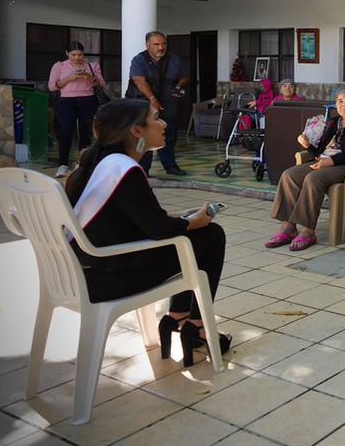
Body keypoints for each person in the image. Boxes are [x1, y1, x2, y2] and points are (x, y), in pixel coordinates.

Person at [65, 99, 229, 367]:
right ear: (137, 131)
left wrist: (179, 220)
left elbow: (134, 219)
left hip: (87, 271)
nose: (164, 124)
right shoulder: (125, 170)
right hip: (107, 278)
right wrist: (192, 223)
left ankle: (177, 317)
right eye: (156, 118)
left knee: (195, 235)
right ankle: (196, 326)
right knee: (210, 235)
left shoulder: (105, 162)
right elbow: (159, 229)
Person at [266, 89, 345, 251]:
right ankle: (288, 226)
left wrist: (330, 161)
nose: (344, 104)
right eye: (340, 101)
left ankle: (308, 230)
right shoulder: (333, 122)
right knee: (289, 175)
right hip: (324, 162)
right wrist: (308, 145)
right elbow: (319, 151)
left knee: (313, 178)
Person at [126, 31, 188, 176]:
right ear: (148, 45)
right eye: (156, 44)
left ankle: (170, 166)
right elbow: (139, 81)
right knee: (144, 135)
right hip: (143, 101)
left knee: (168, 134)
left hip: (168, 103)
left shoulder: (174, 59)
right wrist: (152, 99)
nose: (161, 47)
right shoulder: (139, 60)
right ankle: (143, 168)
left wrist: (178, 86)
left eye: (163, 44)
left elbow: (184, 77)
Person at [48, 41, 107, 178]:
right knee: (66, 132)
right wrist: (70, 78)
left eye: (80, 54)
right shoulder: (59, 66)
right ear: (67, 53)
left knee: (85, 133)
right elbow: (52, 87)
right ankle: (63, 165)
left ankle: (82, 164)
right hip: (67, 101)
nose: (77, 58)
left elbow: (102, 85)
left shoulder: (92, 66)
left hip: (88, 100)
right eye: (73, 54)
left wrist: (88, 76)